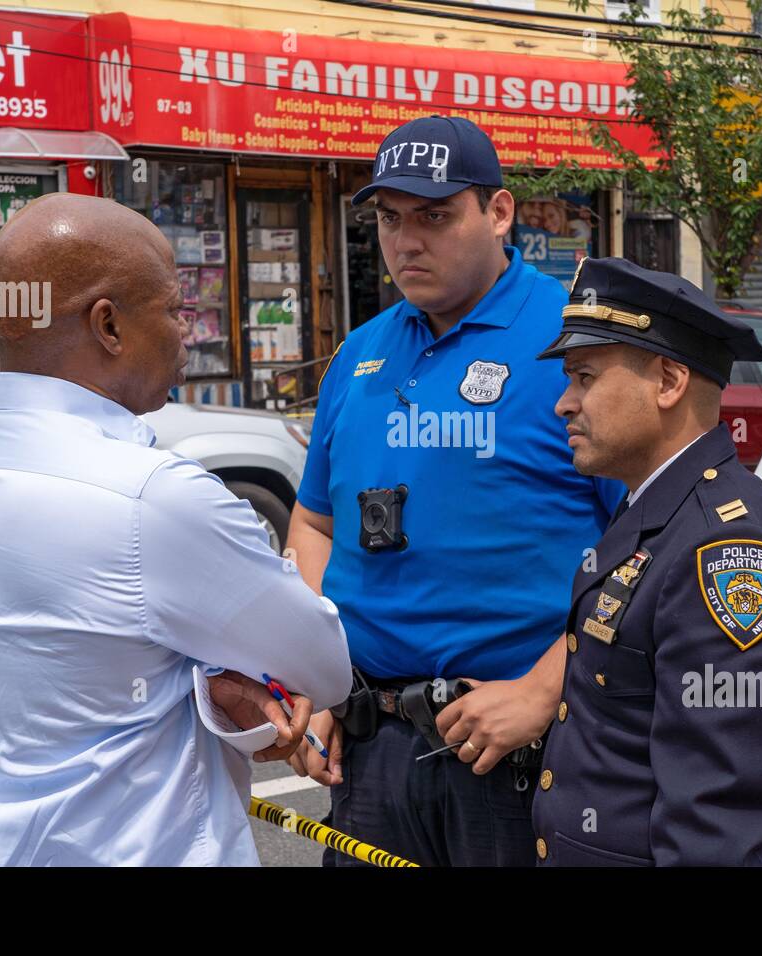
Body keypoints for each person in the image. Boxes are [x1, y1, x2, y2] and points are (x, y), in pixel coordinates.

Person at [0, 193, 352, 866]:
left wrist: (200, 678)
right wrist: (220, 672)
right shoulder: (153, 497)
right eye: (176, 309)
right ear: (108, 326)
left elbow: (82, 666)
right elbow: (322, 665)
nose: (189, 333)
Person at [285, 116, 624, 867]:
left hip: (515, 759)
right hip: (367, 749)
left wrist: (543, 690)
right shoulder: (358, 355)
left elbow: (647, 554)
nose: (407, 241)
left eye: (435, 216)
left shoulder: (576, 344)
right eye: (390, 218)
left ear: (499, 213)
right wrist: (317, 673)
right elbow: (312, 525)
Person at [530, 257, 762, 866]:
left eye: (585, 377)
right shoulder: (660, 510)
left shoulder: (730, 556)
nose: (564, 403)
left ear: (668, 382)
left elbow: (717, 830)